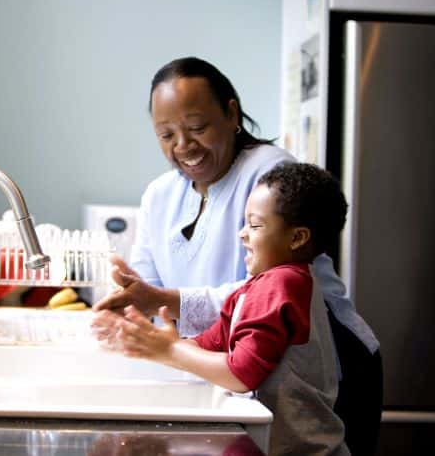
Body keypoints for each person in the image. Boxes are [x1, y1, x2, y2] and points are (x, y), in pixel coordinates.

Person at [91, 57, 381, 455]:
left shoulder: (268, 173)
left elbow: (259, 296)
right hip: (240, 369)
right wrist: (129, 303)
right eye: (166, 134)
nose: (182, 146)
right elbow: (150, 288)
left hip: (322, 367)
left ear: (230, 113)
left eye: (196, 128)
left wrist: (165, 315)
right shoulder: (159, 194)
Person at [99, 162, 351, 455]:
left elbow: (241, 375)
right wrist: (145, 343)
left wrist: (169, 350)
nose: (243, 233)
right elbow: (210, 346)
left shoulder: (282, 283)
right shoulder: (256, 288)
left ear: (297, 238)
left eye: (255, 225)